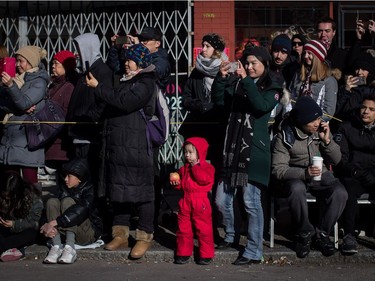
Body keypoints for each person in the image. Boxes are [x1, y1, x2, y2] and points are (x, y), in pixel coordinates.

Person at [85, 43, 157, 259]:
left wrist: (98, 87)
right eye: (125, 59)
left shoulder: (146, 82)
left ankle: (144, 237)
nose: (126, 63)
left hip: (136, 147)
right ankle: (120, 233)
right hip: (118, 147)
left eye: (130, 60)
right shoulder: (126, 80)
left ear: (141, 62)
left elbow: (124, 102)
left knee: (143, 193)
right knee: (118, 190)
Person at [212, 45, 282, 265]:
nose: (250, 67)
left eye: (254, 63)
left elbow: (261, 106)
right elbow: (220, 101)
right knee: (222, 200)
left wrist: (247, 82)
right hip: (232, 150)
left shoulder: (272, 86)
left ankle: (253, 250)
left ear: (265, 64)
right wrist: (221, 78)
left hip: (254, 152)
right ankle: (231, 235)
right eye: (247, 63)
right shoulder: (240, 83)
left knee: (251, 202)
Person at [107, 27, 171, 229]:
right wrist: (116, 49)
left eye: (146, 40)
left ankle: (149, 222)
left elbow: (155, 70)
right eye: (139, 40)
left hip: (148, 128)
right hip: (128, 132)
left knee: (148, 178)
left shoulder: (160, 59)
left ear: (157, 43)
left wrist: (139, 53)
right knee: (127, 178)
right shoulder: (131, 62)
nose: (142, 42)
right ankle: (125, 223)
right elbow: (116, 69)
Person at [271, 96, 348, 259]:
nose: (317, 123)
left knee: (340, 192)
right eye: (312, 120)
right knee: (296, 189)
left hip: (320, 172)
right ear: (301, 121)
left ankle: (322, 234)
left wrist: (327, 142)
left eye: (319, 118)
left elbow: (337, 160)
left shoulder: (320, 130)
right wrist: (303, 174)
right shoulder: (285, 135)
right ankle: (305, 233)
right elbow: (278, 169)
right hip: (295, 174)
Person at [179, 33, 228, 182]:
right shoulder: (196, 72)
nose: (203, 49)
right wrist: (199, 105)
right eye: (203, 45)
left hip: (218, 127)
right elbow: (185, 98)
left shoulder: (226, 70)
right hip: (198, 125)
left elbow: (228, 98)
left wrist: (213, 107)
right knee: (195, 165)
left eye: (208, 46)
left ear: (217, 50)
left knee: (215, 167)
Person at [0, 45, 50, 184]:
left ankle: (34, 206)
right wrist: (19, 108)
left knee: (30, 184)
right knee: (10, 184)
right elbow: (5, 103)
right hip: (11, 140)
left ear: (31, 62)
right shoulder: (17, 79)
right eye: (16, 61)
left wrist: (11, 86)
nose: (17, 65)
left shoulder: (39, 82)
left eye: (21, 61)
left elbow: (24, 103)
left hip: (27, 140)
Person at [334, 93, 375, 254]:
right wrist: (355, 170)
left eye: (371, 109)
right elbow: (341, 158)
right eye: (364, 107)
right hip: (353, 173)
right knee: (347, 190)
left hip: (373, 172)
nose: (366, 111)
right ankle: (349, 235)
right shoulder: (346, 127)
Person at [40, 158, 103, 264]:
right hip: (65, 230)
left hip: (87, 234)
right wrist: (44, 225)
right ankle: (56, 247)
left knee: (68, 201)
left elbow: (80, 211)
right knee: (52, 201)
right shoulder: (64, 188)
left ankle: (70, 248)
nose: (65, 179)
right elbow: (47, 212)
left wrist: (54, 222)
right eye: (65, 176)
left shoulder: (90, 190)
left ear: (79, 178)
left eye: (69, 176)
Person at [170, 137, 215, 265]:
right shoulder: (184, 169)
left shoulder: (207, 167)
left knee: (203, 229)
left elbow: (203, 179)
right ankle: (183, 252)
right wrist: (176, 183)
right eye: (185, 152)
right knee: (183, 229)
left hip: (200, 202)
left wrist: (196, 166)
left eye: (191, 152)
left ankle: (206, 254)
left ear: (199, 153)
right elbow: (182, 185)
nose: (187, 155)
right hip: (186, 201)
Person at [45, 50, 78, 184]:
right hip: (52, 140)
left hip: (62, 143)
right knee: (59, 180)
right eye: (53, 63)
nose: (53, 66)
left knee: (65, 180)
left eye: (57, 63)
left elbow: (65, 113)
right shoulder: (53, 85)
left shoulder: (69, 86)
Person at [289, 40, 338, 122]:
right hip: (296, 122)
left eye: (309, 53)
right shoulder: (299, 75)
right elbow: (290, 99)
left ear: (318, 56)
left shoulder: (329, 81)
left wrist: (309, 121)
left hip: (316, 126)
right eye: (304, 53)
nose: (305, 56)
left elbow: (328, 112)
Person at [0, 171, 43, 262]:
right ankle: (13, 249)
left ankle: (7, 247)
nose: (7, 198)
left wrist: (15, 224)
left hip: (23, 229)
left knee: (30, 233)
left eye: (9, 196)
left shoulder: (32, 197)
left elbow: (35, 223)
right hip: (5, 229)